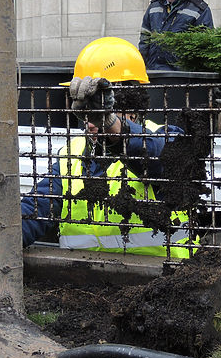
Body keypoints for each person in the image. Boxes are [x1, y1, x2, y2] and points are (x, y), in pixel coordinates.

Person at [21, 37, 193, 257]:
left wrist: (111, 125)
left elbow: (160, 159)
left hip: (164, 281)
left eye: (104, 104)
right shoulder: (71, 154)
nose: (91, 121)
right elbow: (35, 209)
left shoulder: (165, 137)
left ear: (134, 102)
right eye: (88, 107)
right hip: (85, 281)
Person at [138, 0, 213, 71]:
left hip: (181, 75)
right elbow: (145, 38)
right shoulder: (153, 7)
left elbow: (205, 47)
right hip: (154, 71)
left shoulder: (199, 9)